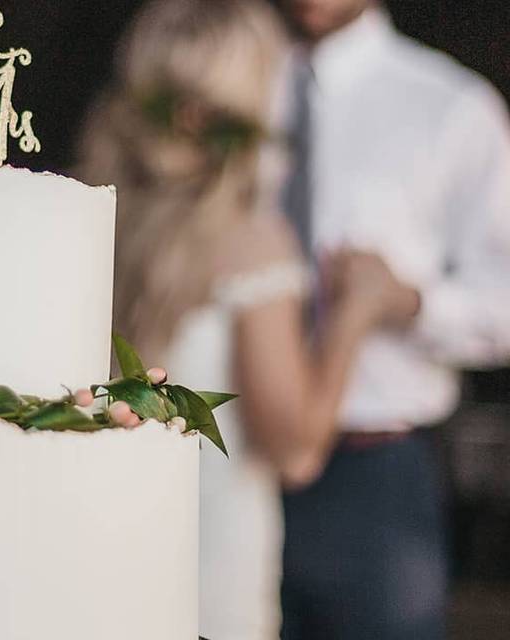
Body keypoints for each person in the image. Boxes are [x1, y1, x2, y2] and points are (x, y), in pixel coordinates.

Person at [76, 1, 401, 637]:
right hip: (207, 587)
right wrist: (356, 312)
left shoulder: (89, 217)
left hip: (102, 573)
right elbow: (297, 451)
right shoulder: (251, 242)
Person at [274, 0, 510, 637]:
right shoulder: (223, 87)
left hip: (374, 477)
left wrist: (407, 301)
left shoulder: (452, 106)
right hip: (225, 460)